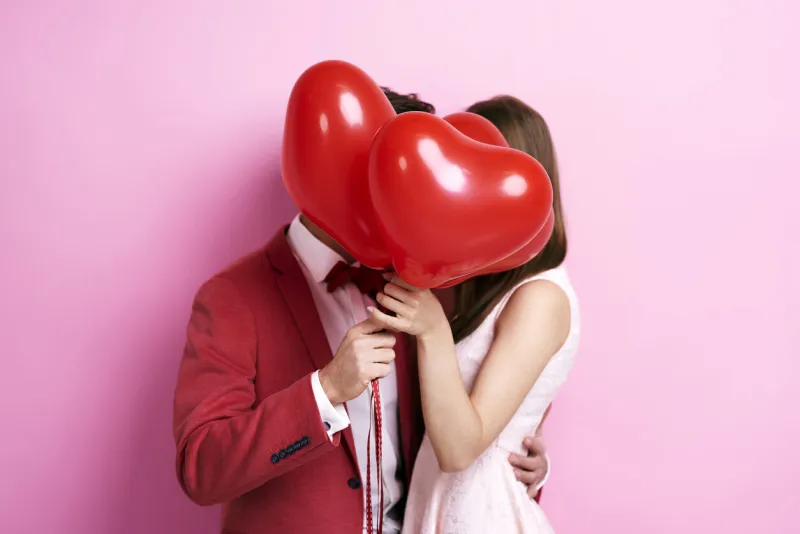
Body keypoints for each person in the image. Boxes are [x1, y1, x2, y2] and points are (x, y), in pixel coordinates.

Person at [172, 90, 550, 534]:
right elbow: (201, 468)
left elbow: (456, 427)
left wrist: (518, 461)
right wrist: (325, 389)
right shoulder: (233, 297)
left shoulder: (419, 288)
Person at [368, 96, 580, 534]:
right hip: (440, 505)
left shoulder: (542, 297)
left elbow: (462, 449)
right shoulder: (483, 284)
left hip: (481, 515)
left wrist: (432, 330)